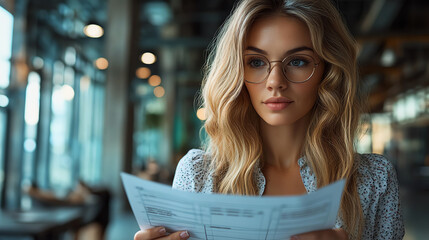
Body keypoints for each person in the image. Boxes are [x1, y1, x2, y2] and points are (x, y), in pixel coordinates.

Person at [134, 0, 405, 239]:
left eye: (298, 61)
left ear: (328, 71)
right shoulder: (198, 174)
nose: (275, 82)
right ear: (237, 73)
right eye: (256, 62)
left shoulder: (373, 179)